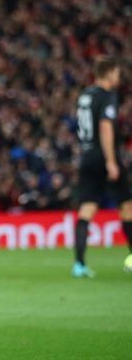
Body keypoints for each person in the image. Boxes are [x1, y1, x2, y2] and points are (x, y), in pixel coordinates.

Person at [72, 56, 132, 277]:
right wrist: (111, 161)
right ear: (108, 73)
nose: (118, 76)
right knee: (127, 206)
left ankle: (79, 264)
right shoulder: (107, 96)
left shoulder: (85, 95)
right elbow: (106, 127)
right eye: (116, 72)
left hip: (87, 156)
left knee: (87, 208)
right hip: (104, 156)